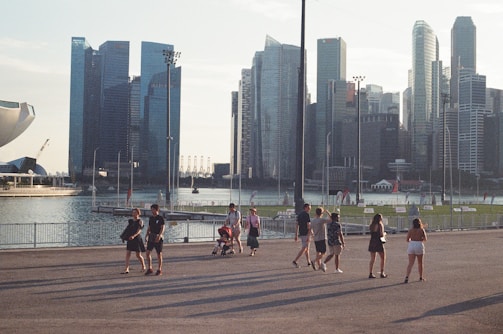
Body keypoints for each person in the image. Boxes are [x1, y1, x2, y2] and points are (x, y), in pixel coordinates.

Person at [121, 208, 146, 274]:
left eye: (135, 212)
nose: (134, 213)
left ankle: (143, 266)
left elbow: (139, 230)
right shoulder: (131, 221)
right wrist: (124, 237)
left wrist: (134, 236)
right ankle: (127, 268)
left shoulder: (140, 221)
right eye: (133, 212)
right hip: (130, 238)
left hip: (137, 238)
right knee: (128, 253)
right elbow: (127, 230)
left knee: (138, 255)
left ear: (138, 213)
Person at [404, 218, 428, 283]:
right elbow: (425, 239)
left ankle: (407, 276)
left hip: (412, 244)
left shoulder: (411, 230)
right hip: (419, 244)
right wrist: (421, 239)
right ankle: (421, 276)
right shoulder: (421, 230)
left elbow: (407, 239)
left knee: (410, 263)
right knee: (420, 263)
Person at [145, 204, 165, 276]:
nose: (152, 211)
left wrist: (159, 236)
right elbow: (149, 227)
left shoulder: (160, 218)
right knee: (147, 252)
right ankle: (150, 268)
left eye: (153, 209)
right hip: (151, 236)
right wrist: (147, 235)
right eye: (151, 209)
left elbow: (163, 227)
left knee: (159, 254)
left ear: (157, 210)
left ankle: (159, 269)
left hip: (158, 236)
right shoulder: (151, 218)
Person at [310, 207, 331, 272]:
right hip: (322, 238)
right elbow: (331, 219)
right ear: (321, 213)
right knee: (323, 252)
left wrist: (312, 234)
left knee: (318, 252)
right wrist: (327, 212)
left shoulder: (313, 220)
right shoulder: (321, 220)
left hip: (316, 238)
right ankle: (314, 261)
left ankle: (319, 266)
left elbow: (310, 229)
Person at [292, 203, 313, 268]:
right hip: (306, 233)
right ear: (305, 208)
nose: (309, 209)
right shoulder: (307, 215)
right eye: (309, 208)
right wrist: (310, 234)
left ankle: (308, 262)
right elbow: (308, 225)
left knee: (307, 248)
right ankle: (295, 260)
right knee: (304, 248)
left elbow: (297, 225)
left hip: (301, 233)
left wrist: (296, 234)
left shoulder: (299, 215)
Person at [368, 213, 387, 278]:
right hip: (378, 242)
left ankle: (370, 272)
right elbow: (381, 234)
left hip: (372, 241)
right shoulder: (380, 225)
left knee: (372, 258)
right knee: (383, 257)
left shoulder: (372, 225)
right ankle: (382, 272)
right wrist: (384, 235)